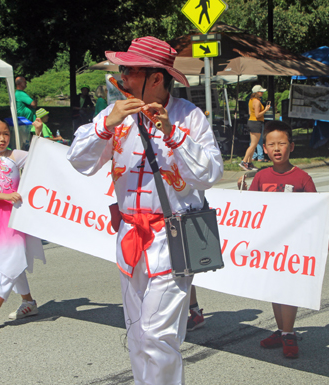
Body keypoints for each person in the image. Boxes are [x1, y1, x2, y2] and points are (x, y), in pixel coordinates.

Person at [67, 36, 224, 385]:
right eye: (121, 69)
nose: (122, 76)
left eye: (130, 70)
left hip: (173, 238)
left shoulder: (189, 116)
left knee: (158, 335)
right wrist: (104, 125)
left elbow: (210, 174)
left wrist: (171, 132)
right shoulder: (114, 113)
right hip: (129, 236)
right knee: (137, 334)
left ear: (156, 78)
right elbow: (79, 160)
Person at [238, 120, 329, 359]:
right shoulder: (261, 176)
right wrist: (240, 193)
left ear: (291, 147)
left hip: (294, 244)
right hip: (269, 244)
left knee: (288, 289)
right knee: (275, 289)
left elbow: (318, 210)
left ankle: (289, 332)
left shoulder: (302, 177)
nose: (276, 148)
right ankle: (283, 331)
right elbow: (250, 210)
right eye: (271, 144)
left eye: (281, 143)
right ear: (264, 148)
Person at [0, 118, 45, 328]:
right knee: (10, 259)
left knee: (9, 258)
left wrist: (38, 132)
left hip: (17, 216)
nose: (3, 138)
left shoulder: (16, 156)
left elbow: (39, 157)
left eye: (6, 133)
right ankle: (28, 301)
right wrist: (5, 196)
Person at [239, 85, 271, 171]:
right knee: (253, 145)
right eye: (261, 91)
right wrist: (266, 110)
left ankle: (249, 163)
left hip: (252, 121)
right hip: (256, 123)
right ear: (257, 92)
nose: (262, 93)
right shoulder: (256, 101)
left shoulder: (251, 100)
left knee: (254, 144)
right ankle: (244, 161)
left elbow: (250, 112)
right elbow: (257, 115)